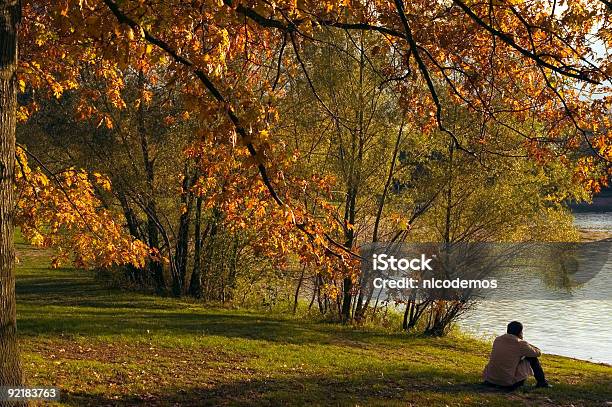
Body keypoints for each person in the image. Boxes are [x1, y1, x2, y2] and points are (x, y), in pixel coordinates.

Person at [483, 321, 551, 389]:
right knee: (532, 358)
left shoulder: (497, 339)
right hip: (507, 383)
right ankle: (542, 383)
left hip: (490, 379)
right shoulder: (520, 343)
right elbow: (538, 353)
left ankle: (495, 379)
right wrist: (524, 342)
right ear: (520, 332)